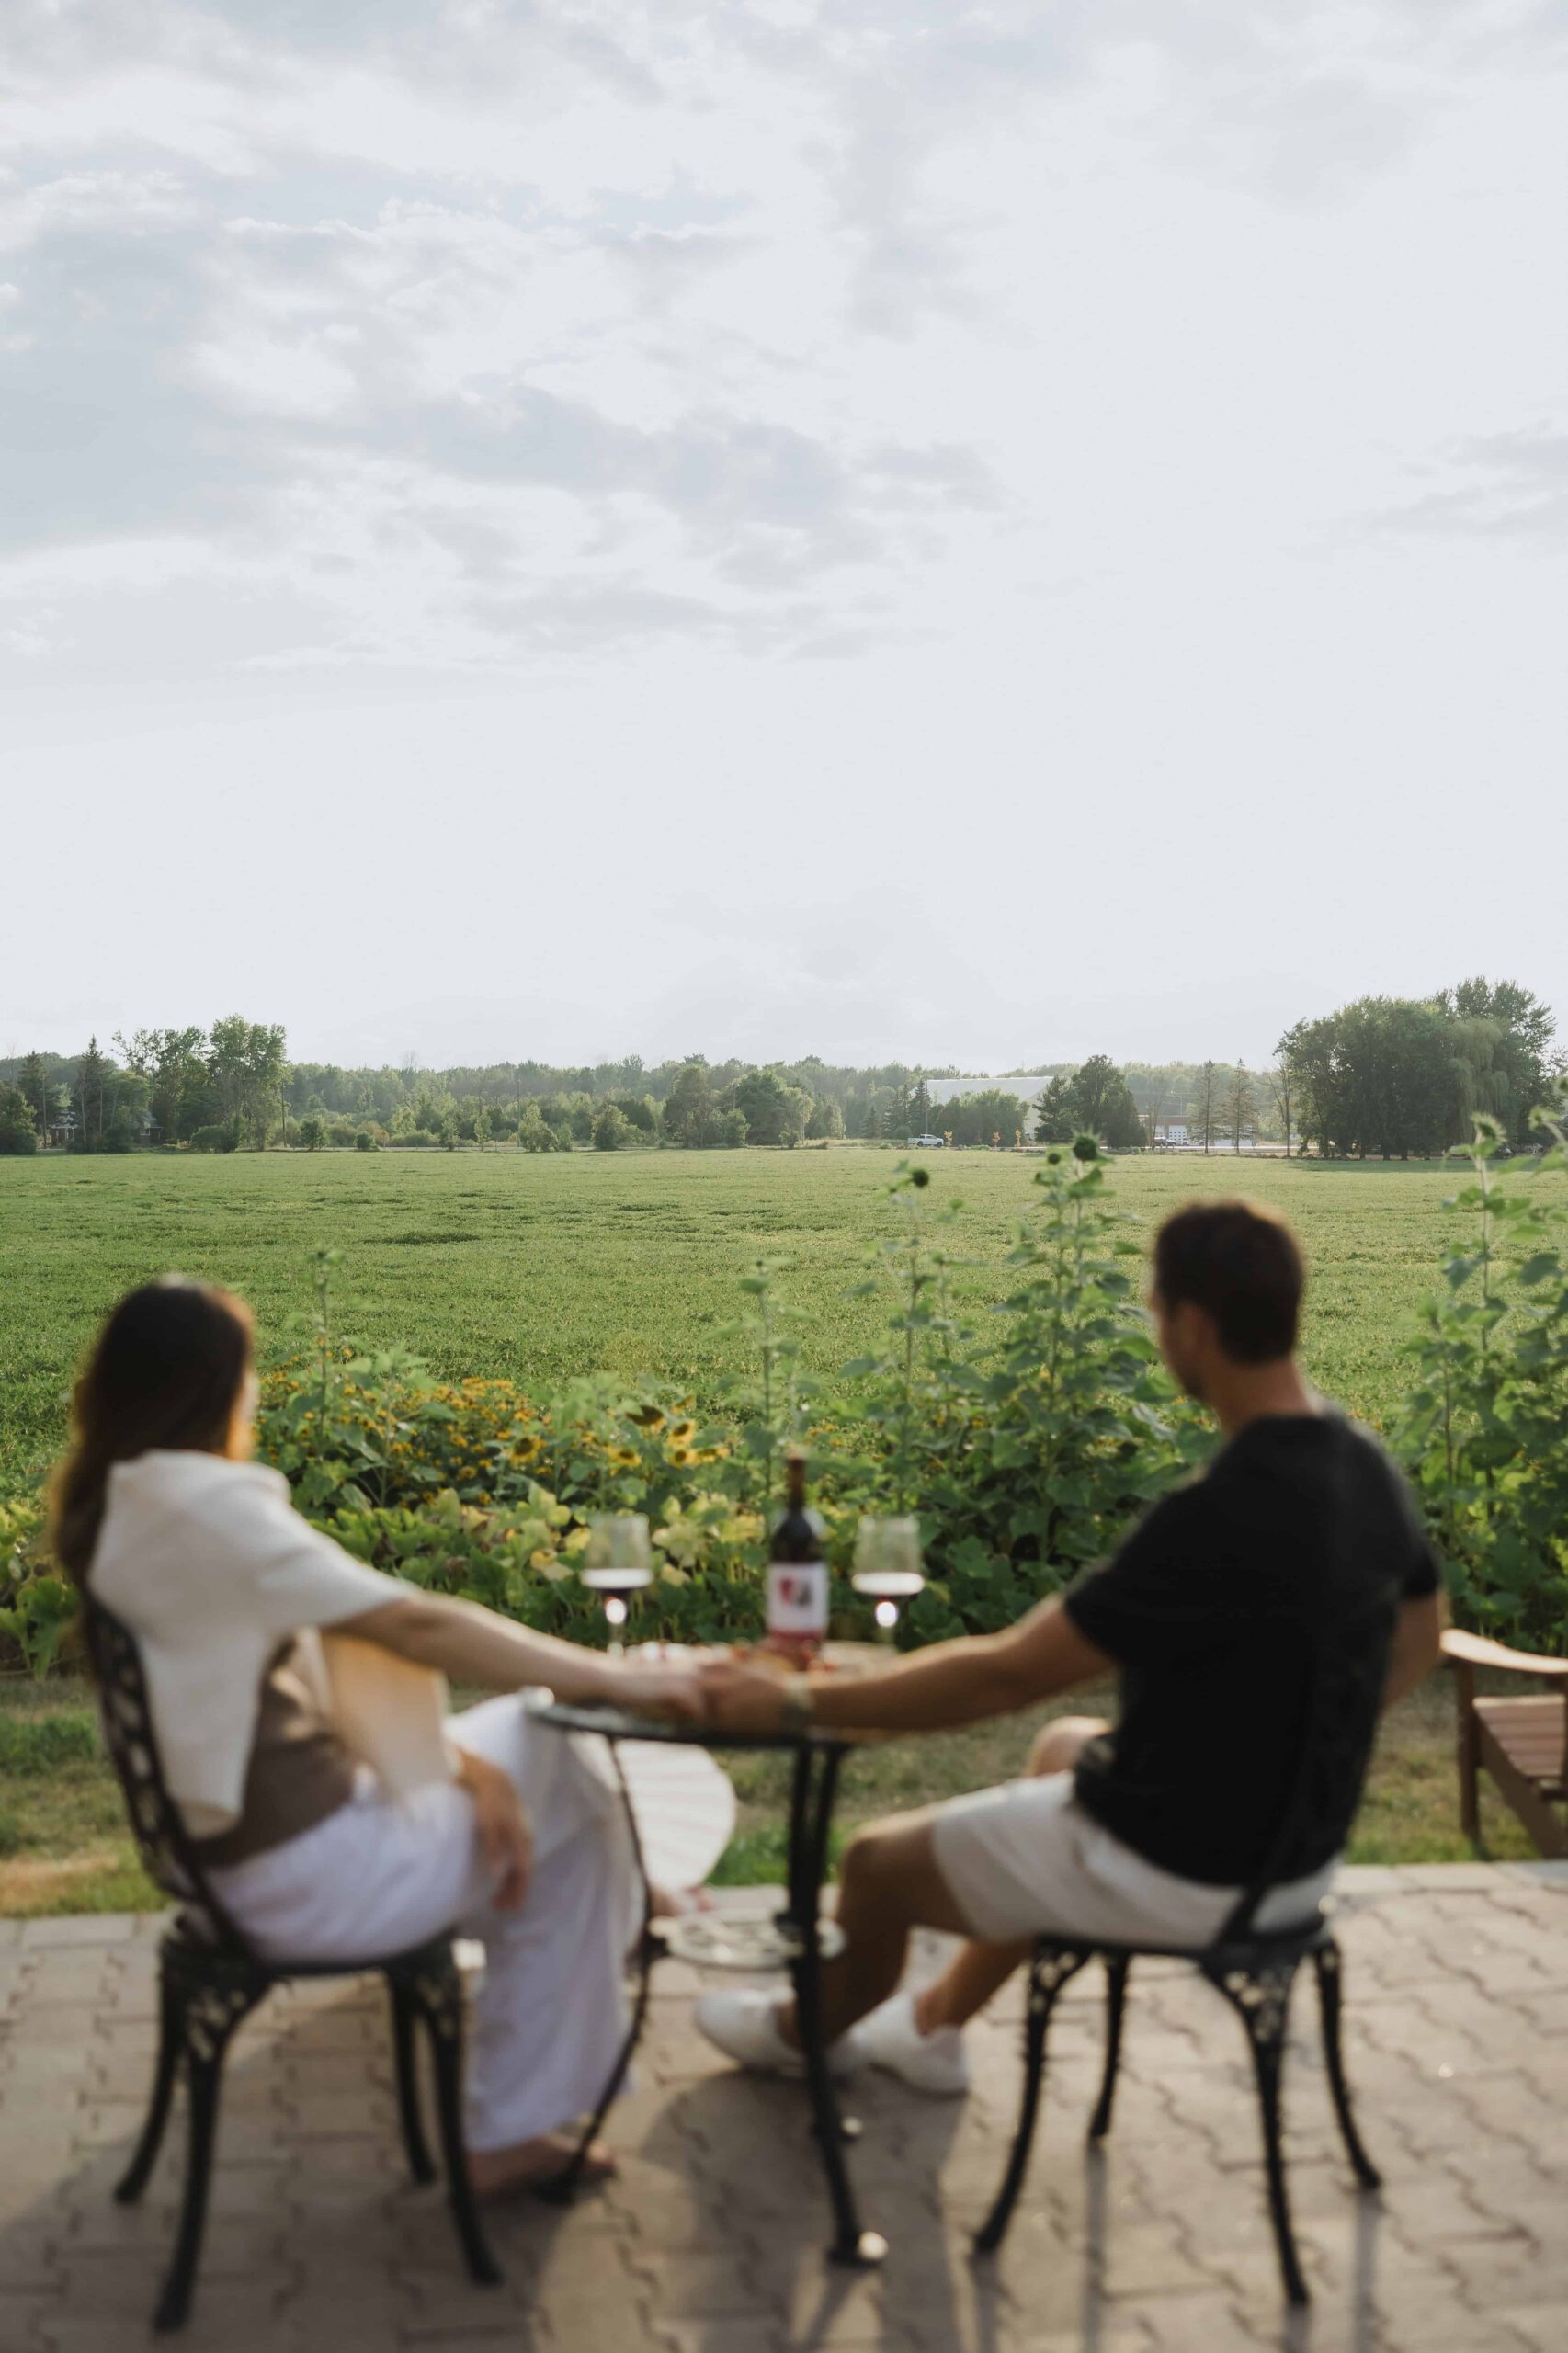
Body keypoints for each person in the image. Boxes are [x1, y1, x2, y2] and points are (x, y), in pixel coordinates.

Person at [695, 1199, 1444, 2095]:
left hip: (1184, 1866)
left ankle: (796, 2035)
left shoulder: (1211, 1517)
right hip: (1295, 1863)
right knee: (1063, 1749)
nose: (1157, 1334)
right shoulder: (1361, 1463)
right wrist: (1302, 1745)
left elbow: (1006, 1675)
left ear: (1193, 1326)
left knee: (874, 1867)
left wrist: (795, 1700)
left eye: (1156, 1312)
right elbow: (1423, 1632)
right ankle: (931, 2027)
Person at [54, 1276, 705, 2193]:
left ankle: (626, 1902)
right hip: (306, 1881)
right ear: (219, 1389)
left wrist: (467, 1767)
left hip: (233, 1870)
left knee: (541, 1761)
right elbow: (411, 1623)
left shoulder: (125, 1505)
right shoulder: (205, 1508)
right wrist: (615, 1676)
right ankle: (527, 2096)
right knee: (567, 1753)